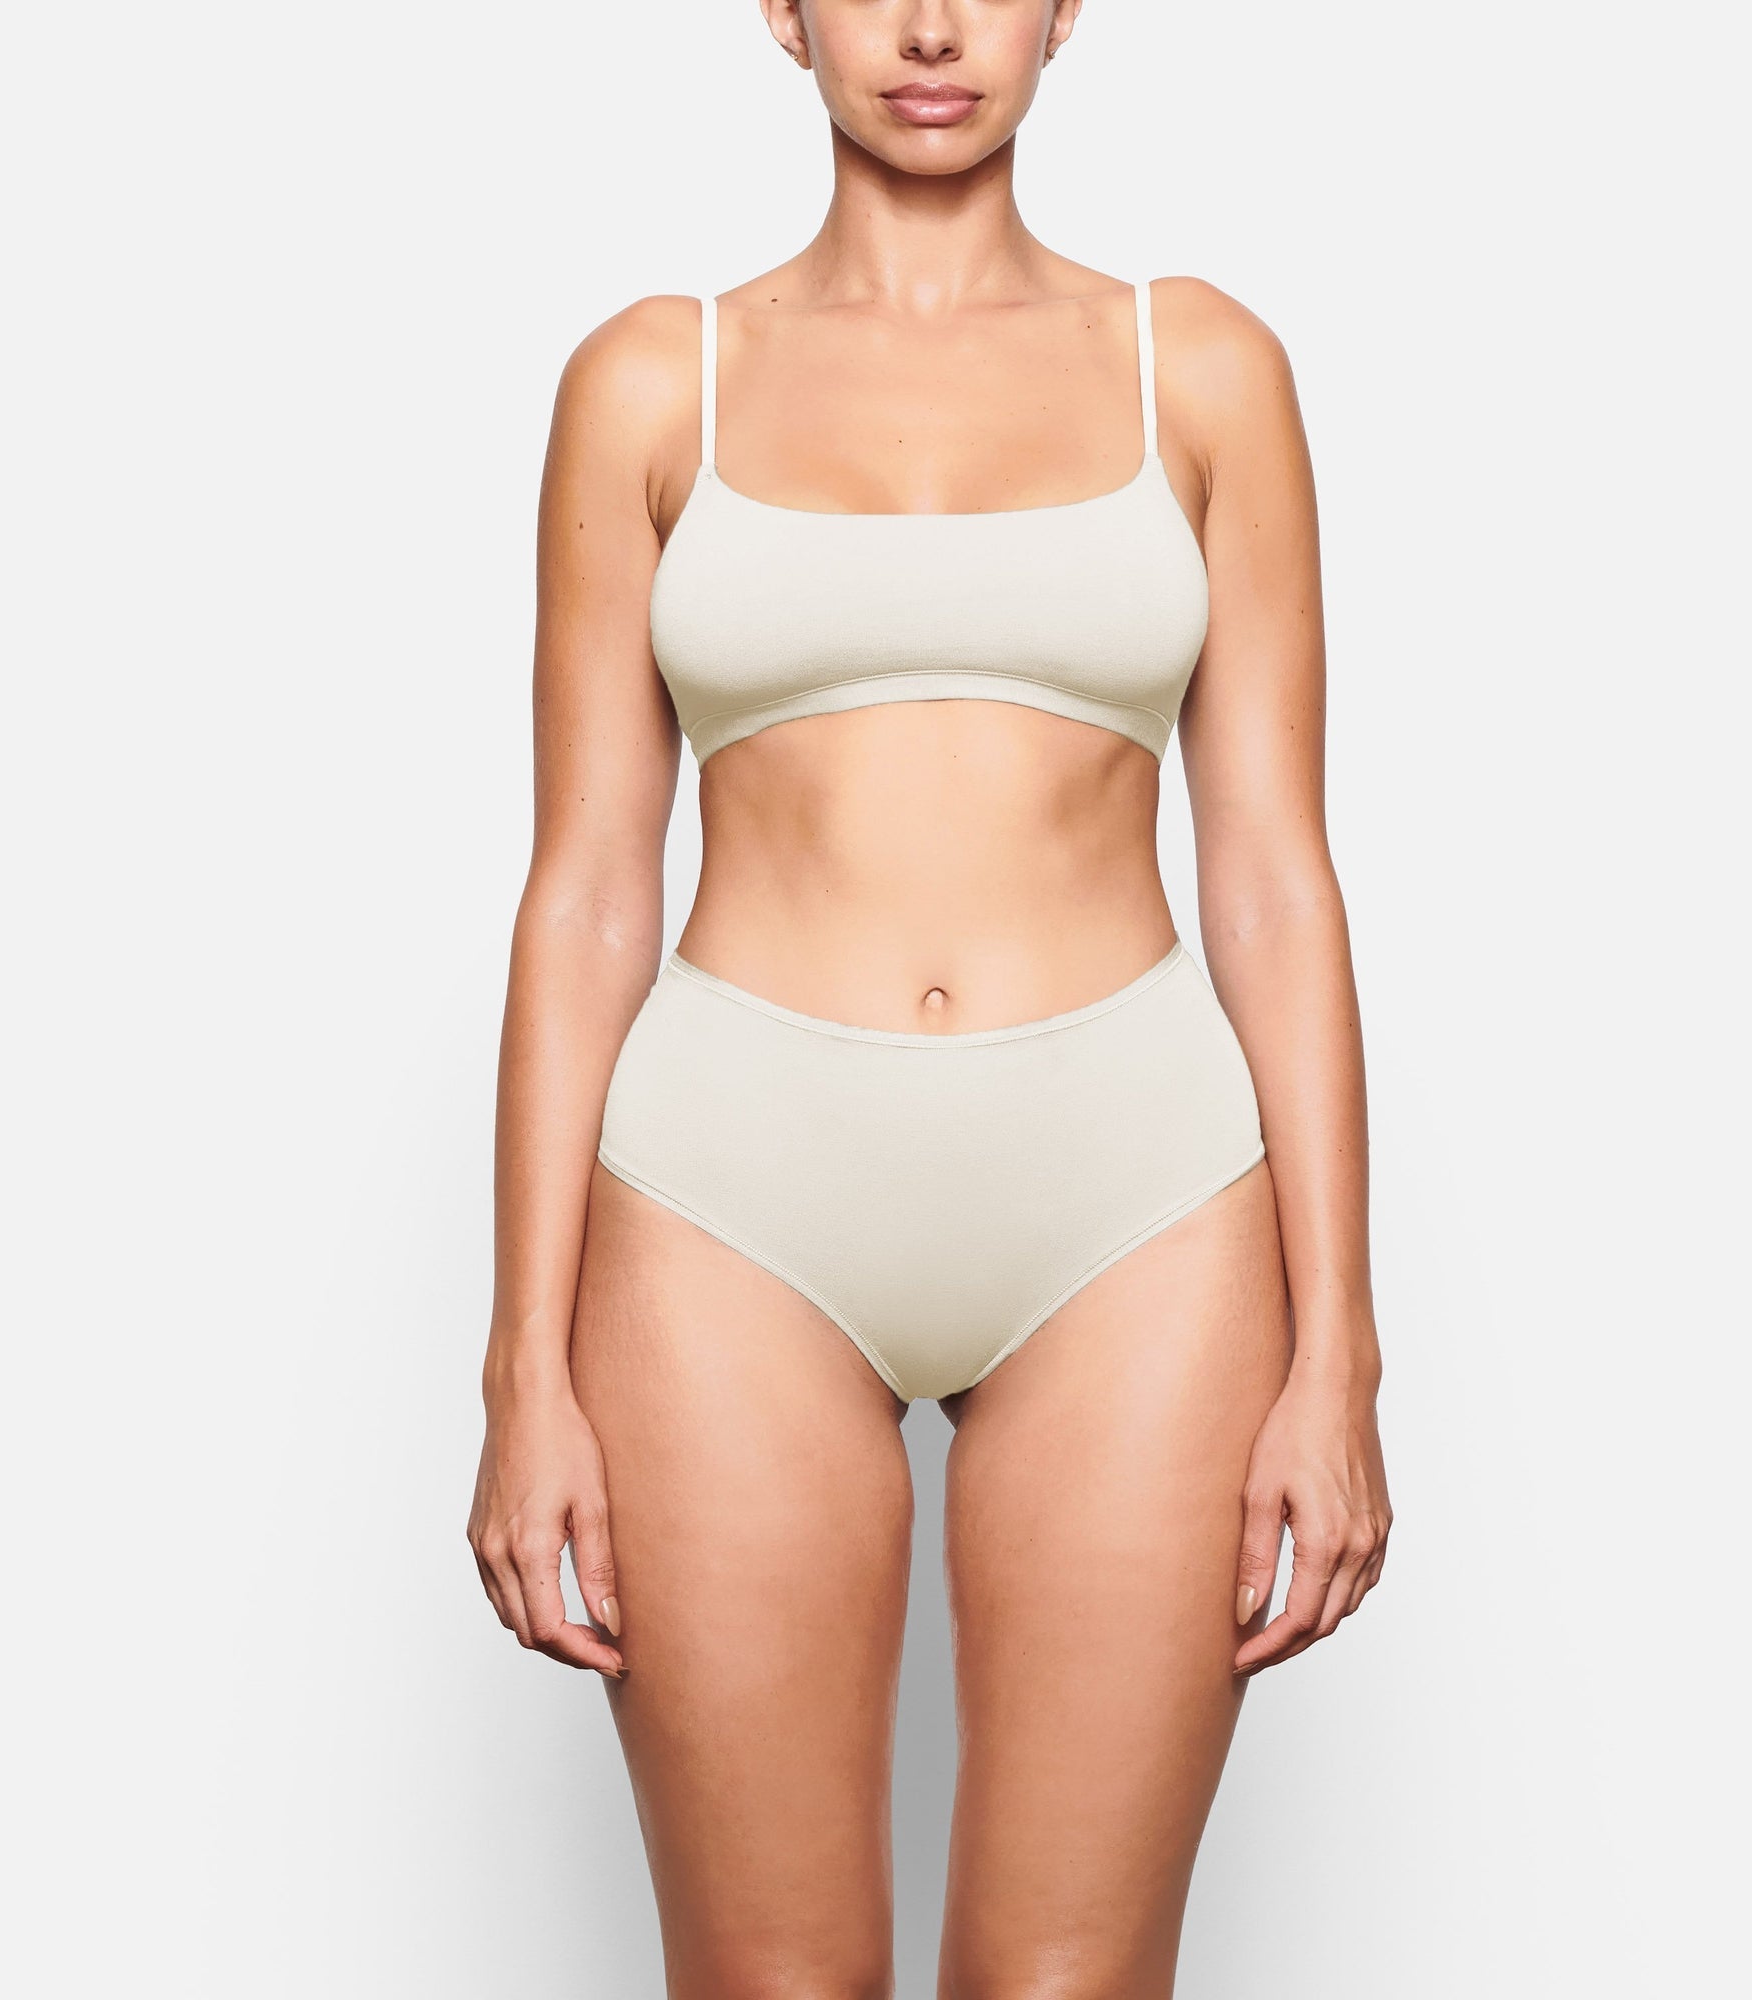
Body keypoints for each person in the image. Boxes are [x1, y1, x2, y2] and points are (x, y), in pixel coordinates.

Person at [468, 3, 1391, 1992]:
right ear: (781, 13)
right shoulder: (650, 382)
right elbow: (588, 893)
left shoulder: (1200, 370)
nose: (931, 26)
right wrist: (520, 1372)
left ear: (1067, 9)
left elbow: (1272, 881)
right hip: (731, 1200)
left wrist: (1342, 1358)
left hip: (1135, 1203)